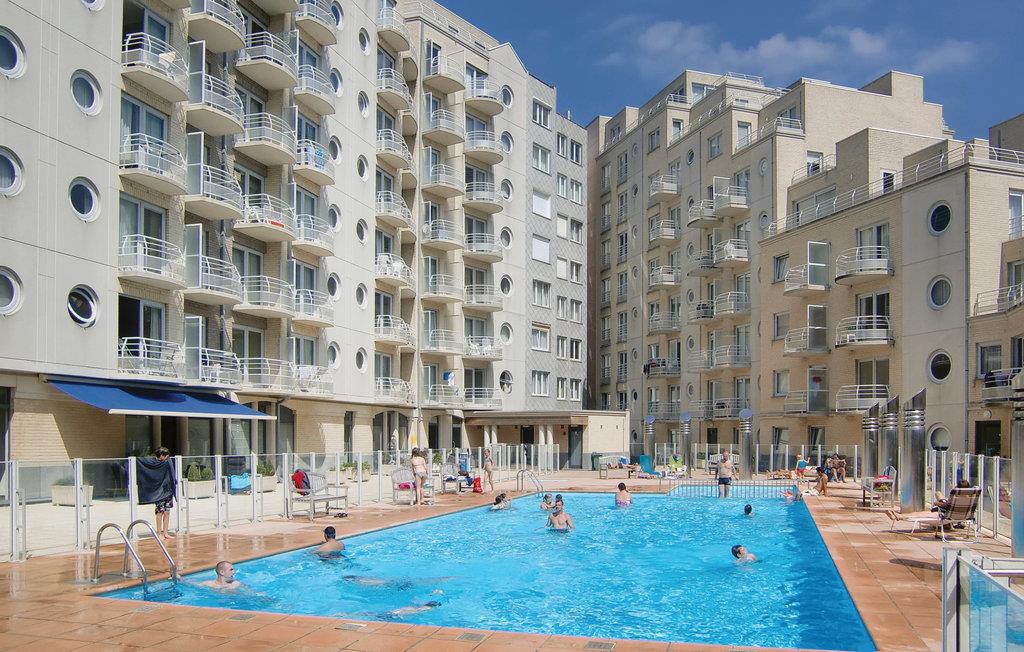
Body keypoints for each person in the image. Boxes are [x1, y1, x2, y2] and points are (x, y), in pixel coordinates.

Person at [152, 447, 175, 541]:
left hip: (167, 491)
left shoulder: (168, 462)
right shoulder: (155, 464)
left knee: (167, 512)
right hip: (159, 492)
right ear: (161, 455)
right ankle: (159, 533)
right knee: (160, 512)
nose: (167, 457)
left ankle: (165, 532)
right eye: (166, 455)